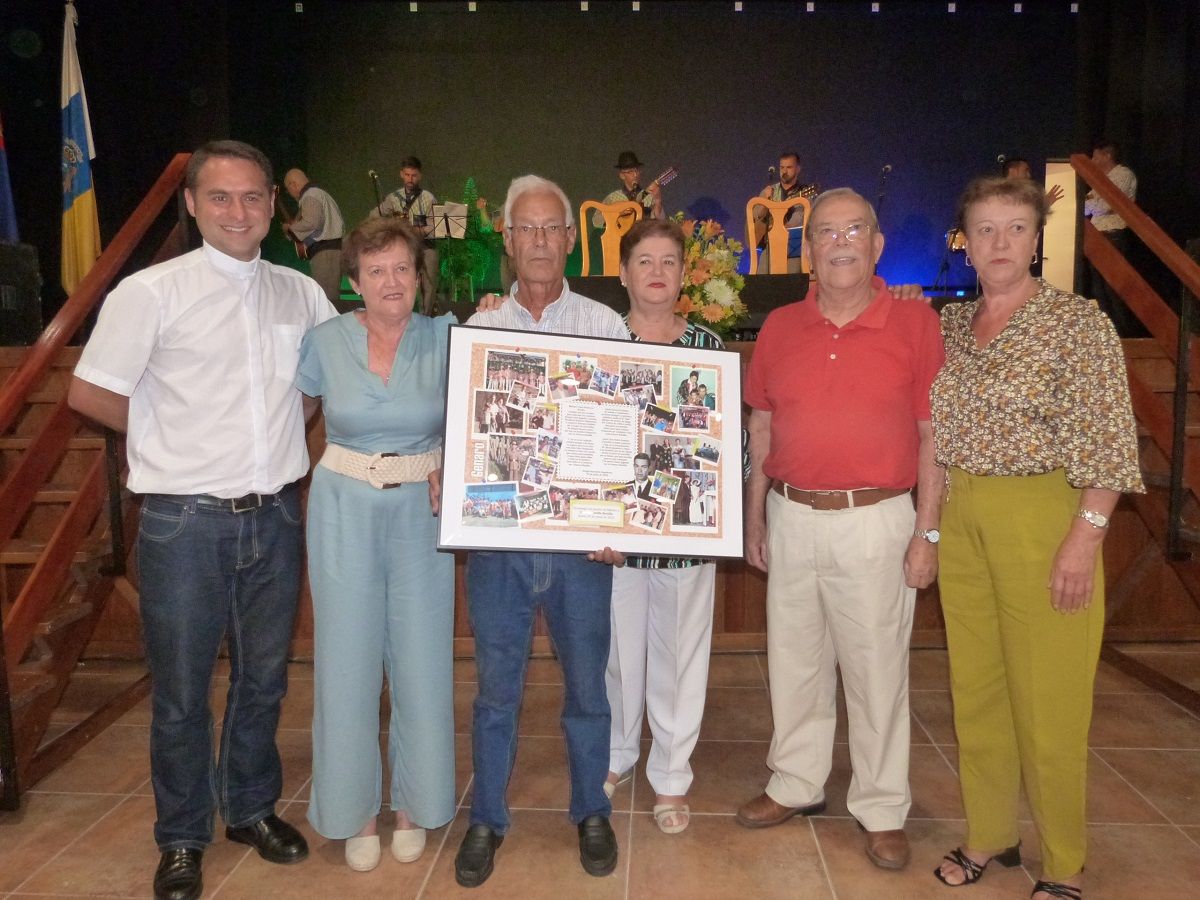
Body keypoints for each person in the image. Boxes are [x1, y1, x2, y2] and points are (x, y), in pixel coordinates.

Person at [67, 140, 336, 900]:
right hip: (184, 524)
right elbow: (89, 393)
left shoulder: (299, 293)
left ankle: (250, 808)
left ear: (272, 209)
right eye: (220, 197)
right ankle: (182, 837)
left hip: (277, 517)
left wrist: (288, 432)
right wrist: (163, 435)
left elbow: (317, 385)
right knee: (183, 693)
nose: (239, 211)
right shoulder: (150, 293)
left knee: (264, 681)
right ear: (191, 204)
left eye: (253, 197)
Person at [930, 176, 1143, 900]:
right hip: (964, 517)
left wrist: (1083, 540)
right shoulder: (951, 327)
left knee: (1050, 703)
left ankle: (1065, 862)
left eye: (1014, 228)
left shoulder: (1076, 323)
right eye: (983, 228)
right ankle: (990, 833)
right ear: (964, 240)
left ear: (1036, 236)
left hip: (1046, 520)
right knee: (978, 693)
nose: (997, 243)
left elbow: (1111, 442)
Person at [737, 188, 944, 872]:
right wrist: (754, 510)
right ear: (809, 249)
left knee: (877, 670)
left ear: (877, 245)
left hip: (877, 521)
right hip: (791, 515)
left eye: (855, 229)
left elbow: (930, 434)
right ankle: (796, 782)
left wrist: (928, 533)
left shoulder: (915, 325)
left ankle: (883, 807)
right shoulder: (778, 329)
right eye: (825, 232)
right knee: (795, 663)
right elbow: (761, 423)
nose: (840, 242)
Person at [454, 175, 629, 889]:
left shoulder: (604, 324)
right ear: (508, 239)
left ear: (568, 239)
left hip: (583, 547)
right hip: (501, 547)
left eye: (550, 228)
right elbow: (460, 431)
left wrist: (621, 522)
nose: (537, 242)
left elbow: (628, 434)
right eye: (524, 229)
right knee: (497, 689)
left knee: (588, 686)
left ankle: (590, 808)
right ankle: (487, 818)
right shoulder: (481, 327)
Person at [297, 216, 455, 873]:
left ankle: (415, 807)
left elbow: (482, 416)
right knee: (346, 659)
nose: (391, 281)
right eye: (376, 270)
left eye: (402, 268)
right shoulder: (322, 342)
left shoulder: (448, 337)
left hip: (423, 510)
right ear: (355, 282)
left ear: (419, 276)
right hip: (341, 507)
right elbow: (289, 418)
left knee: (421, 659)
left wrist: (454, 462)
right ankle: (354, 811)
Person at [601, 217, 726, 834]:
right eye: (644, 261)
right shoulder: (598, 340)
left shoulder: (709, 348)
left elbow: (732, 444)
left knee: (679, 658)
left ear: (684, 274)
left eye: (669, 261)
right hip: (617, 539)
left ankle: (672, 777)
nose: (656, 272)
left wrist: (718, 510)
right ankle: (618, 755)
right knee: (619, 655)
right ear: (623, 273)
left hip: (686, 533)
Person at [1084, 139, 1138, 335]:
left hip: (1114, 235)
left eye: (1095, 155)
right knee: (1099, 289)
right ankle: (1107, 334)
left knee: (1113, 288)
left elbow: (1104, 205)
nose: (1092, 160)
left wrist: (1095, 202)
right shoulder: (1101, 178)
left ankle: (1123, 335)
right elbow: (1085, 206)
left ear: (1106, 155)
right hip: (1098, 236)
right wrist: (1094, 202)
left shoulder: (1123, 175)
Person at [372, 155, 439, 309]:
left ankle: (426, 318)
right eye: (407, 175)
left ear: (420, 176)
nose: (410, 179)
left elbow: (435, 226)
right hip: (403, 250)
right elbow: (374, 215)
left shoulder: (428, 198)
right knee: (404, 285)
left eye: (414, 175)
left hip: (426, 248)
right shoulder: (393, 198)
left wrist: (417, 231)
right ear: (401, 174)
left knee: (428, 288)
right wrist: (391, 225)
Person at [282, 168, 346, 305]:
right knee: (331, 298)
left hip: (325, 253)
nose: (291, 194)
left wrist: (290, 229)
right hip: (334, 251)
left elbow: (311, 222)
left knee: (327, 301)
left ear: (293, 184)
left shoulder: (310, 195)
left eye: (289, 189)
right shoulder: (321, 194)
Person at [754, 151, 817, 273]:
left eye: (789, 167)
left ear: (798, 169)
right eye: (782, 167)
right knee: (761, 281)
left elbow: (802, 220)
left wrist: (781, 227)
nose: (784, 171)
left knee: (791, 283)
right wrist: (766, 201)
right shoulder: (769, 191)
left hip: (794, 250)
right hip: (769, 247)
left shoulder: (804, 193)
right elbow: (758, 217)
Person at [592, 150, 664, 229]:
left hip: (642, 237)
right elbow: (596, 220)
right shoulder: (613, 198)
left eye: (637, 170)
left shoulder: (648, 196)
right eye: (630, 172)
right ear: (622, 175)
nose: (635, 175)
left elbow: (661, 219)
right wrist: (618, 214)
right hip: (620, 240)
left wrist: (658, 200)